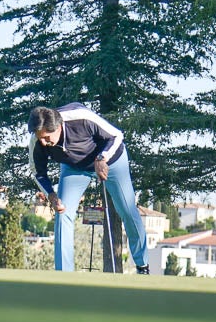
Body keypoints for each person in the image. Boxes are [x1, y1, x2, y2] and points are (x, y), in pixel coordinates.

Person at [28, 103, 149, 273]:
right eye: (39, 137)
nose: (44, 142)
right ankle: (64, 274)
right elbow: (37, 172)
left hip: (111, 162)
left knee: (127, 211)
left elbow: (116, 136)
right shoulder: (37, 141)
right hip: (74, 169)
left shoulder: (81, 117)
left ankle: (142, 265)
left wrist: (102, 157)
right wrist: (51, 195)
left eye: (47, 137)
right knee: (63, 213)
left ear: (59, 126)